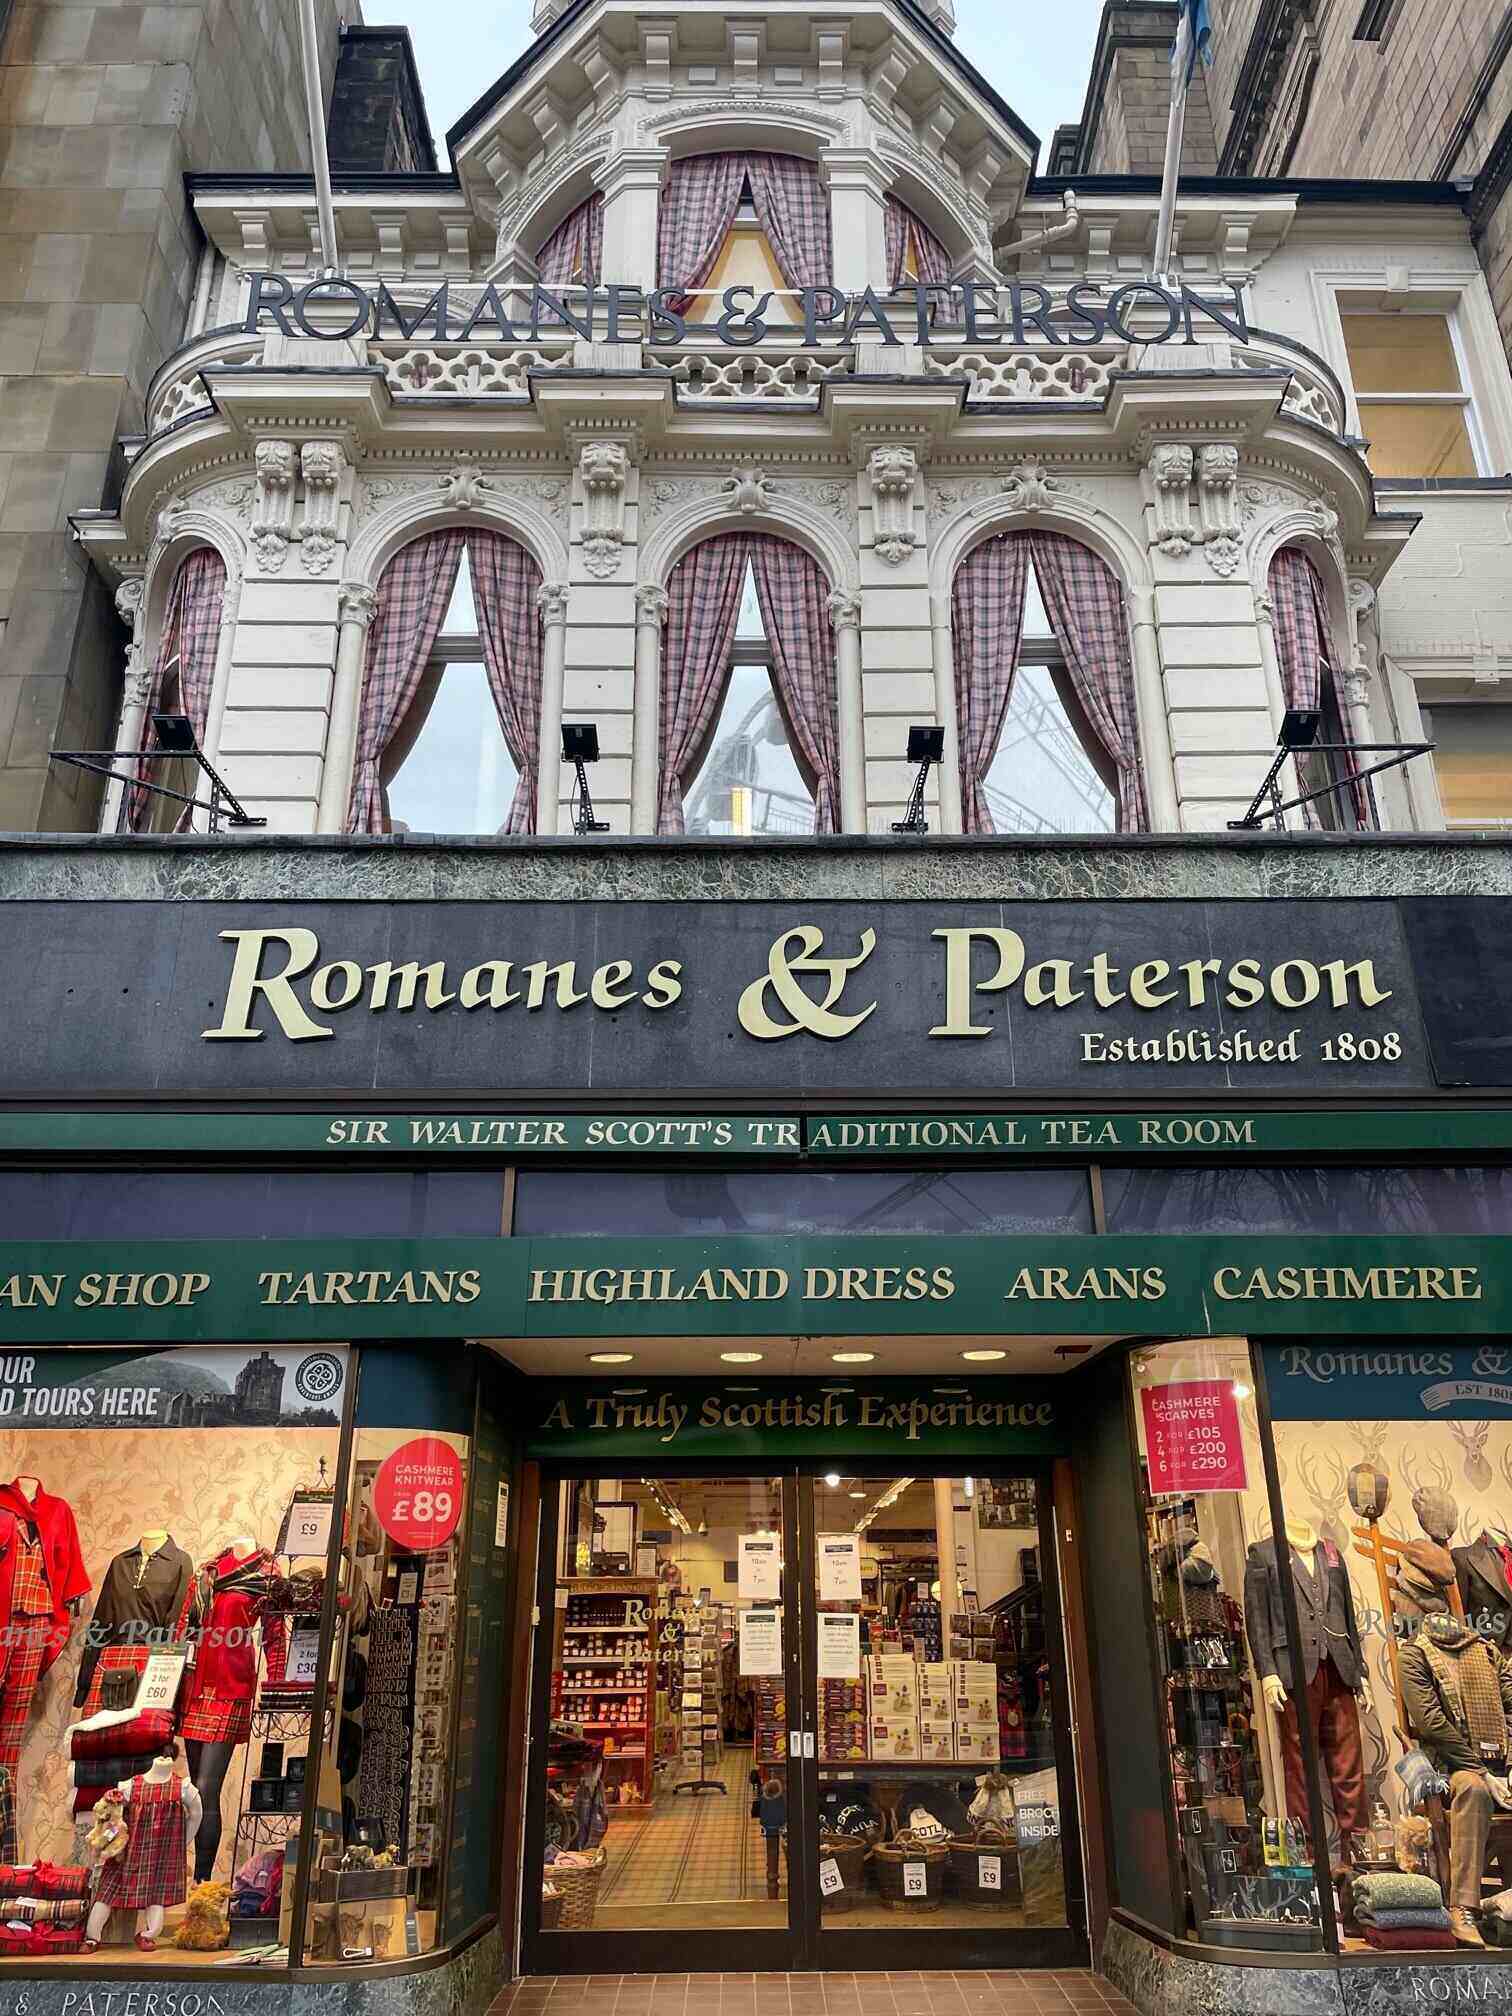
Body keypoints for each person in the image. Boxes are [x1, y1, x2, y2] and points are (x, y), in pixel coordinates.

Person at [1399, 1596, 1512, 1948]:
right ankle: (1463, 1906)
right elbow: (1431, 1723)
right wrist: (1480, 1768)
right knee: (1473, 1789)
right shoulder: (1414, 1655)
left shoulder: (1486, 1652)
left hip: (1501, 1761)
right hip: (1451, 1765)